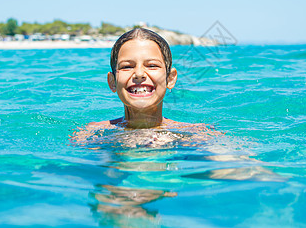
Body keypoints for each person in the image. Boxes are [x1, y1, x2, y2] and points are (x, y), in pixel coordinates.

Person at [72, 27, 219, 147]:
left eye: (152, 65)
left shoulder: (196, 133)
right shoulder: (92, 133)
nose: (139, 74)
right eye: (127, 66)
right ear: (112, 82)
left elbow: (230, 169)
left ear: (170, 79)